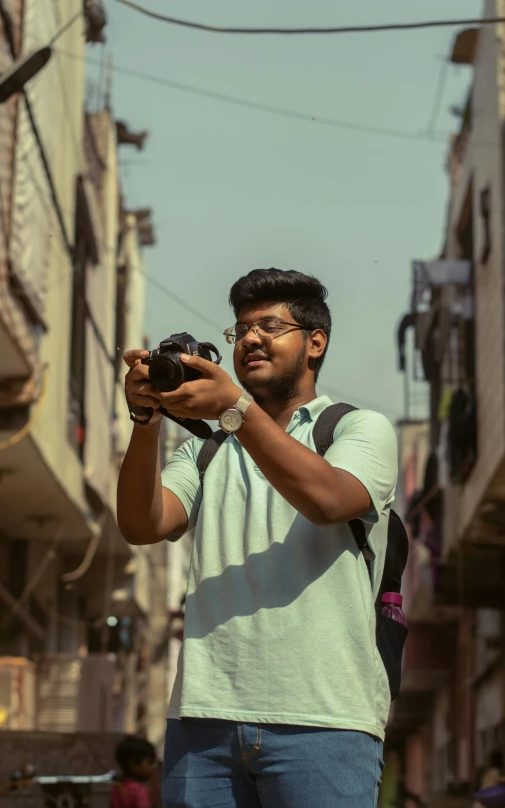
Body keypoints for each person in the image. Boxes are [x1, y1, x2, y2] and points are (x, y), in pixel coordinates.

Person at [117, 268, 399, 808]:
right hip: (202, 721)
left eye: (270, 325)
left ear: (315, 342)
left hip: (325, 721)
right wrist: (145, 420)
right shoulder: (207, 448)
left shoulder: (356, 428)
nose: (249, 338)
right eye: (241, 329)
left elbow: (328, 501)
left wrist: (235, 411)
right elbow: (142, 525)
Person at [112, 735, 158, 808]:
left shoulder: (118, 786)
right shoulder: (140, 790)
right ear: (134, 765)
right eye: (150, 762)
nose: (155, 766)